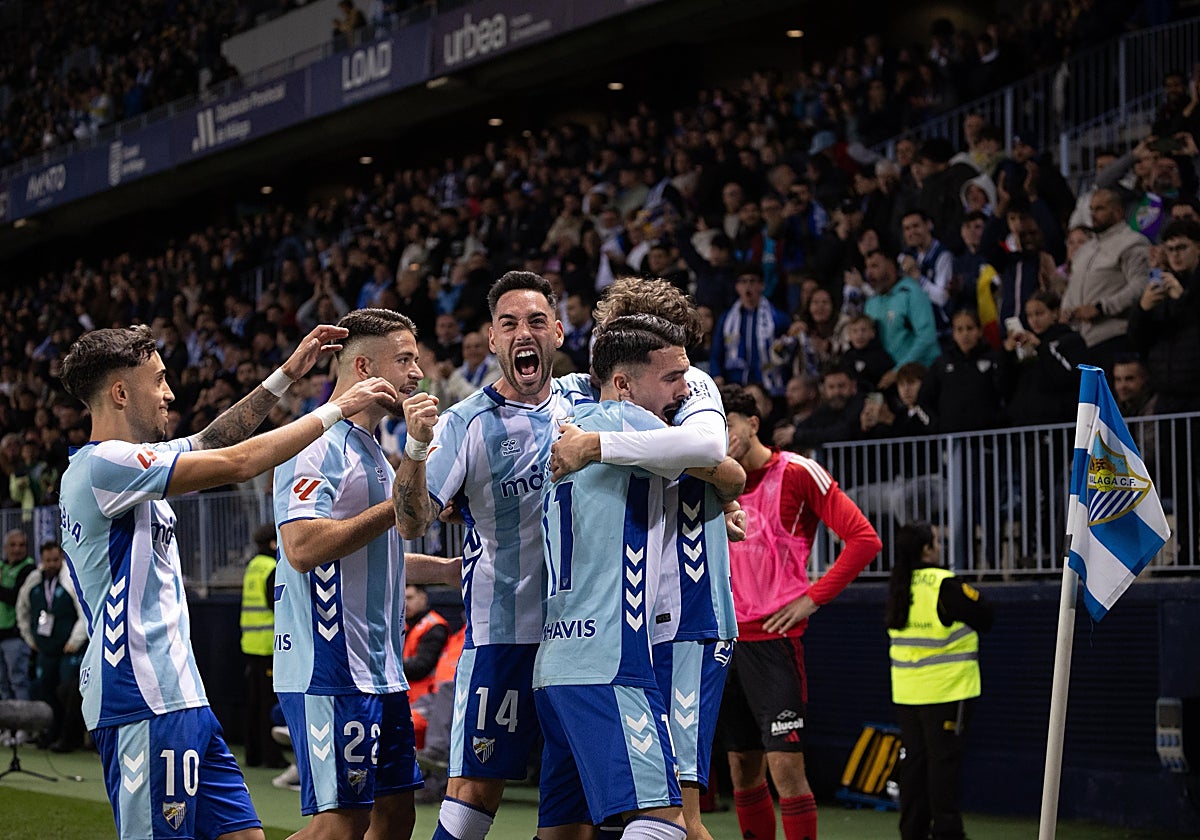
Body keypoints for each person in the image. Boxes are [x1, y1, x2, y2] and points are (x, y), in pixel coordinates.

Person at [58, 323, 398, 840]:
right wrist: (337, 409)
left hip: (181, 694)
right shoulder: (104, 465)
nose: (170, 392)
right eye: (159, 380)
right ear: (121, 393)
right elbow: (238, 461)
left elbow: (217, 438)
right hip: (140, 695)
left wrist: (285, 375)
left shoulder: (131, 466)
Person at [550, 275, 742, 840]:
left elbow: (721, 460)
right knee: (615, 810)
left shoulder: (689, 385)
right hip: (616, 623)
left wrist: (597, 446)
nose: (678, 378)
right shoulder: (574, 391)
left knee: (676, 811)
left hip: (687, 607)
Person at [273, 309, 435, 840]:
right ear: (364, 367)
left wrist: (450, 571)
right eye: (405, 360)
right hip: (330, 666)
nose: (418, 372)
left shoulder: (374, 449)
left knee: (395, 817)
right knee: (341, 825)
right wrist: (396, 504)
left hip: (380, 669)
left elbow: (384, 550)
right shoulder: (314, 444)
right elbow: (302, 548)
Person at [535, 315, 691, 840]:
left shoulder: (557, 430)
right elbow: (720, 459)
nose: (684, 390)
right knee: (664, 822)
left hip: (554, 664)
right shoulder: (631, 422)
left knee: (565, 831)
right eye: (670, 378)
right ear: (623, 383)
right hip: (610, 659)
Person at [718, 385, 882, 840]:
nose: (723, 436)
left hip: (774, 643)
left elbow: (865, 539)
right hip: (724, 642)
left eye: (729, 425)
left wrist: (812, 597)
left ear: (754, 424)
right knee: (742, 771)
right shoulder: (712, 481)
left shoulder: (797, 471)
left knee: (786, 770)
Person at [885, 522, 993, 840]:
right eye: (936, 541)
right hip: (948, 691)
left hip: (907, 693)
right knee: (942, 767)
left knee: (914, 767)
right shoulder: (945, 586)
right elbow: (987, 616)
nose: (940, 545)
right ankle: (947, 833)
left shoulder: (898, 587)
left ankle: (913, 832)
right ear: (926, 550)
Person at [1060, 188, 1151, 373]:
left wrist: (1102, 308)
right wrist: (1065, 310)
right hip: (1082, 342)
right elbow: (1072, 285)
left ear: (1117, 211)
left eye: (1100, 209)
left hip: (1114, 338)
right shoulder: (1086, 249)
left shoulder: (1132, 243)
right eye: (1092, 209)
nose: (1093, 214)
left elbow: (1141, 286)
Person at [15, 540, 87, 752]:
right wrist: (30, 639)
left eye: (55, 559)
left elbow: (84, 611)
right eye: (47, 560)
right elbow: (22, 610)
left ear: (62, 558)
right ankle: (49, 733)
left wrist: (75, 640)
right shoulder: (34, 581)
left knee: (66, 693)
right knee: (44, 692)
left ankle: (70, 737)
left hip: (68, 649)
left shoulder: (70, 579)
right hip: (45, 650)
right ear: (41, 560)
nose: (52, 564)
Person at [240, 523, 286, 769]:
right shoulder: (272, 567)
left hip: (251, 645)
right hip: (269, 646)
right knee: (268, 705)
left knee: (254, 703)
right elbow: (275, 605)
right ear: (273, 543)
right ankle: (272, 756)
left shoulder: (253, 566)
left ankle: (253, 754)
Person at [0, 528, 34, 731]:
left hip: (16, 636)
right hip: (1, 635)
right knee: (3, 685)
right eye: (13, 545)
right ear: (5, 548)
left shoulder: (28, 569)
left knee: (18, 682)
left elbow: (15, 597)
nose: (17, 549)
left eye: (21, 545)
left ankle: (24, 728)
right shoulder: (3, 567)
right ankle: (7, 728)